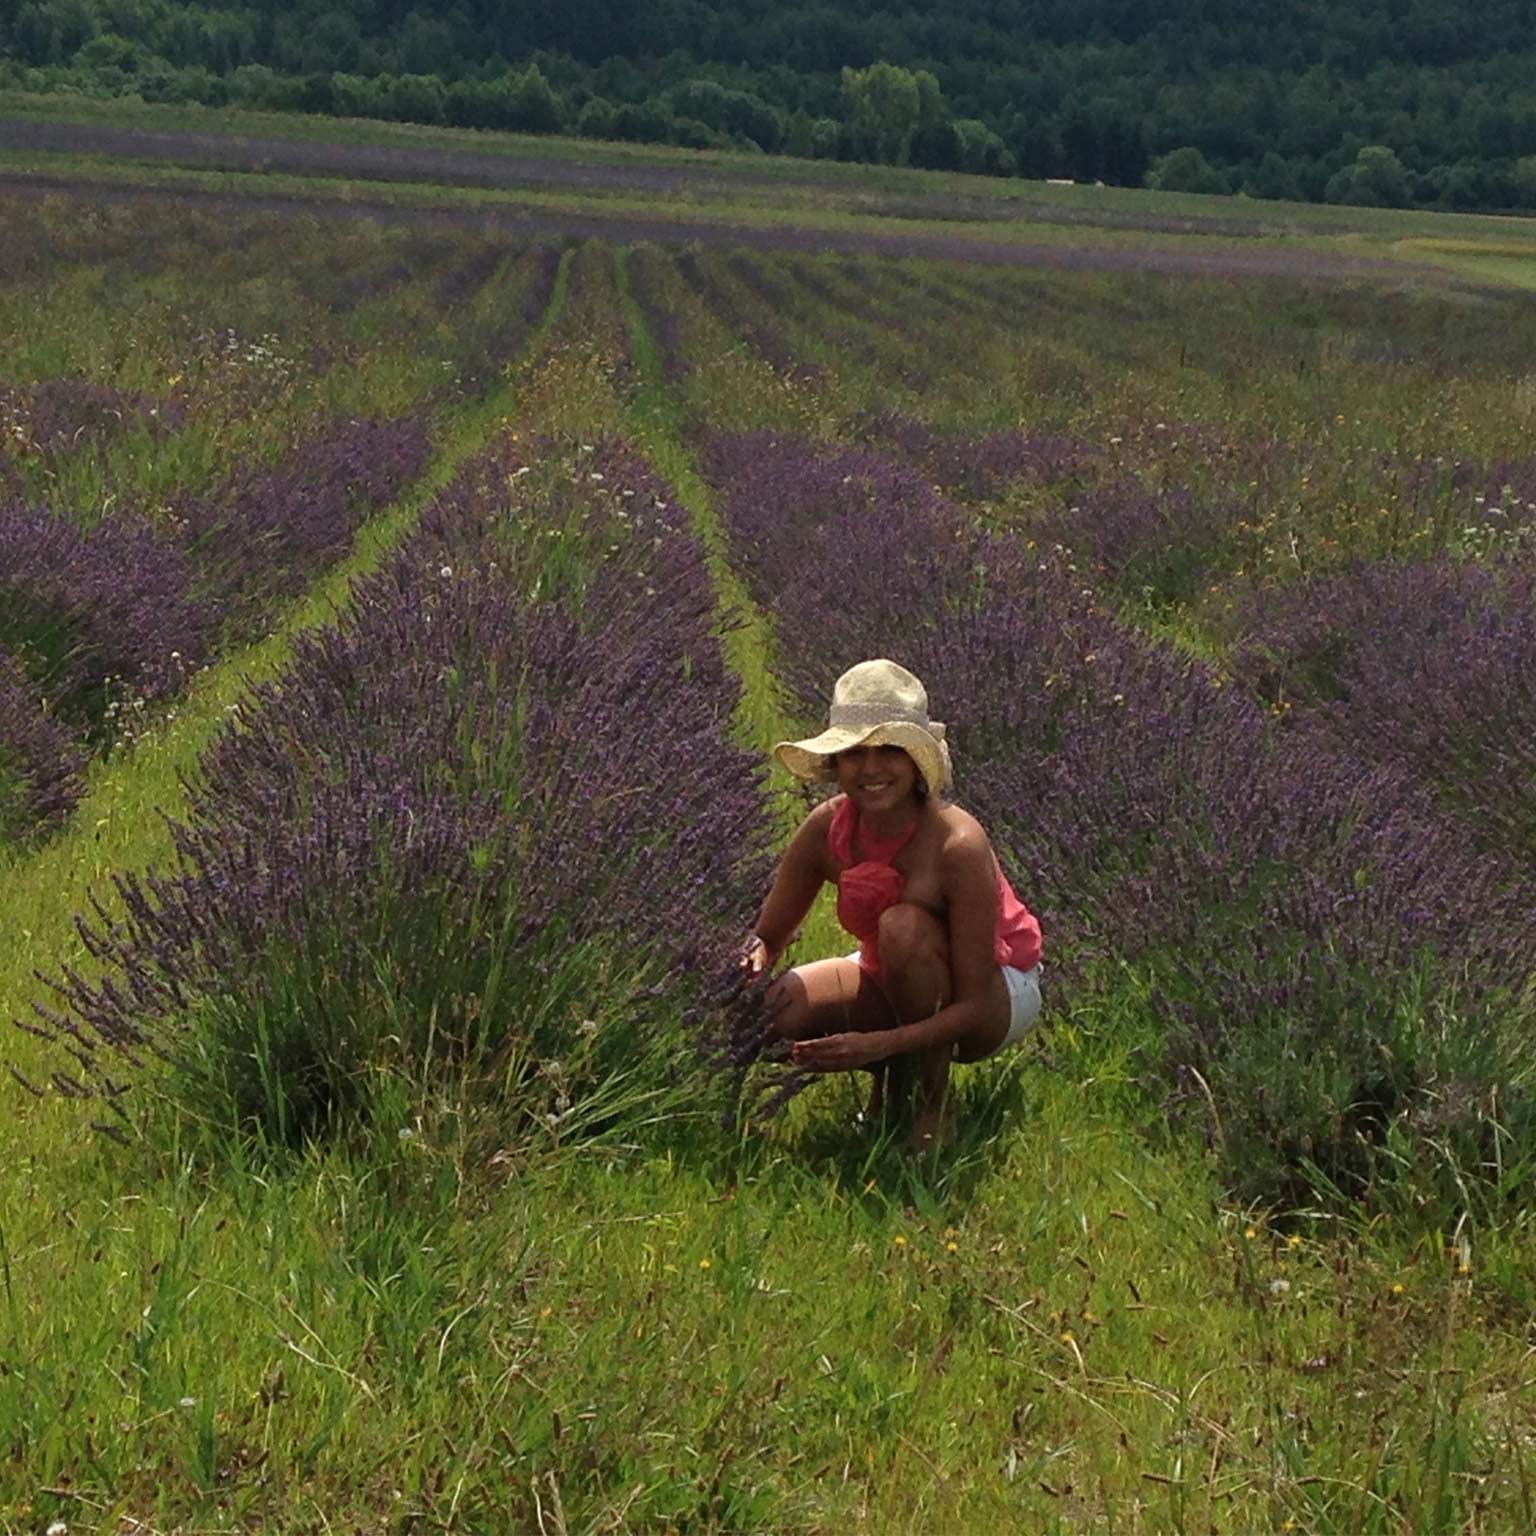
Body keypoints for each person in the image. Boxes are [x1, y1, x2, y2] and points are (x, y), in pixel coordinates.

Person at [742, 659, 1042, 1150]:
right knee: (775, 1011)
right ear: (836, 762)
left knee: (902, 927)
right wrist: (750, 961)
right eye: (855, 753)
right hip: (895, 968)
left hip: (998, 989)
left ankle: (929, 1106)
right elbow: (769, 935)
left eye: (889, 751)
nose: (872, 769)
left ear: (916, 762)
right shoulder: (826, 826)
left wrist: (877, 1044)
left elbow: (972, 1004)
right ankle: (896, 1077)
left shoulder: (957, 843)